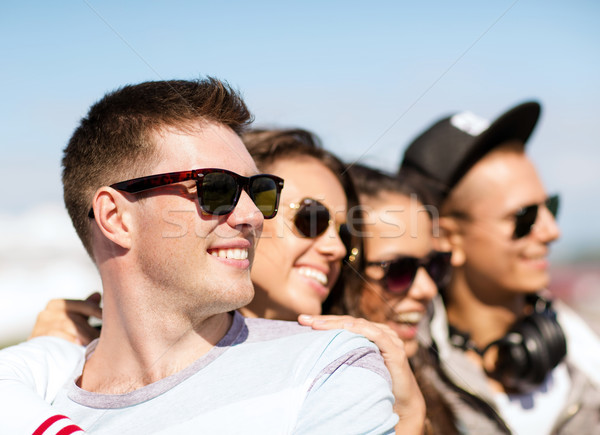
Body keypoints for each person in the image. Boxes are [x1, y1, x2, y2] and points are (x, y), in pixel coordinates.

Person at [0, 79, 399, 434]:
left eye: (260, 191)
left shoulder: (326, 370)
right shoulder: (30, 400)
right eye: (216, 188)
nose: (252, 216)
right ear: (115, 217)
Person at [397, 101, 600, 434]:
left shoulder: (585, 350)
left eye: (550, 206)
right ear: (449, 237)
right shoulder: (404, 379)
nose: (551, 231)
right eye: (524, 218)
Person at [300, 163, 459, 434]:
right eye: (399, 270)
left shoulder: (433, 375)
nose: (427, 288)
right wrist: (410, 418)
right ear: (342, 269)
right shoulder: (315, 396)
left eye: (435, 265)